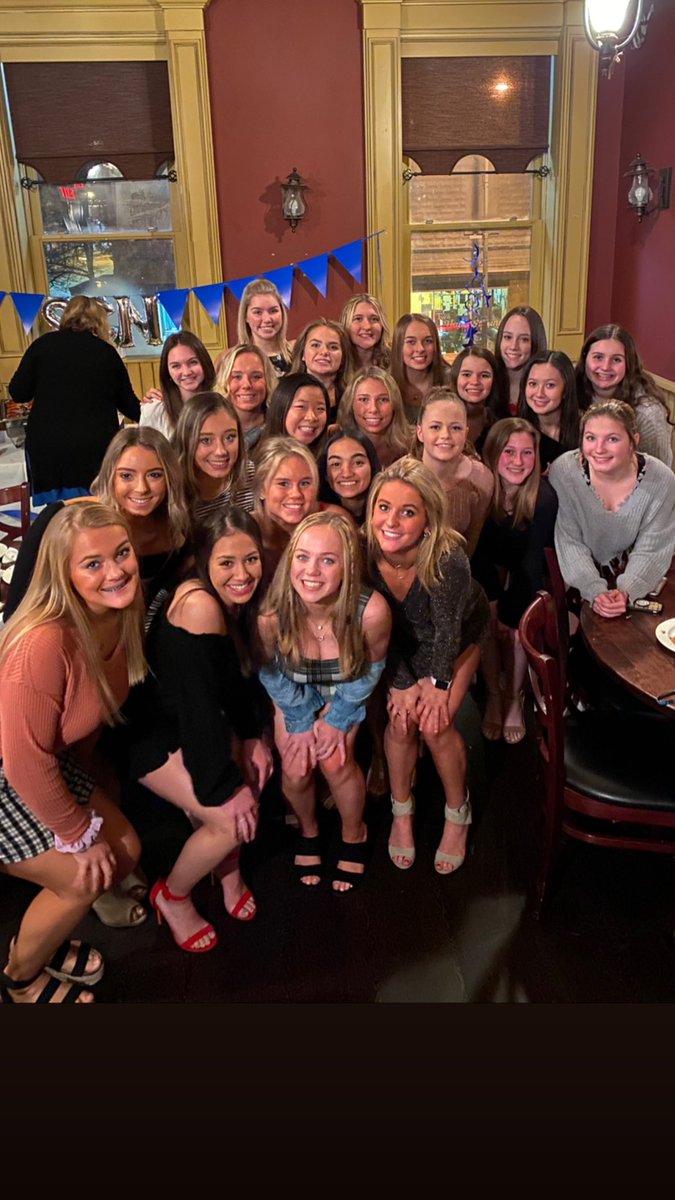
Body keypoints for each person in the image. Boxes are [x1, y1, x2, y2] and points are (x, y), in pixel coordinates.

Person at [0, 502, 145, 1002]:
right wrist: (77, 832)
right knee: (84, 879)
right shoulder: (42, 642)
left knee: (123, 853)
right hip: (11, 770)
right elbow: (23, 761)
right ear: (63, 575)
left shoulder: (119, 613)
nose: (116, 571)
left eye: (121, 553)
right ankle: (20, 979)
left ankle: (40, 941)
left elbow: (77, 730)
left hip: (38, 763)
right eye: (93, 563)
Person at [124, 507, 272, 950]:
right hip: (154, 731)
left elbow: (234, 679)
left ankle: (227, 872)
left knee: (249, 777)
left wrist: (251, 735)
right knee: (229, 821)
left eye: (251, 559)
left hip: (194, 719)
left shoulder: (229, 598)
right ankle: (172, 895)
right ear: (204, 561)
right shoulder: (200, 607)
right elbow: (198, 709)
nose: (242, 574)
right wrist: (224, 789)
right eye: (227, 563)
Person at [366, 457, 489, 874]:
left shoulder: (448, 558)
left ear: (428, 521)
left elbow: (448, 632)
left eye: (407, 512)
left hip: (456, 641)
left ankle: (458, 812)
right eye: (383, 507)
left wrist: (436, 684)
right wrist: (402, 682)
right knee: (401, 721)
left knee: (434, 725)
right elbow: (374, 630)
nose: (391, 521)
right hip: (397, 646)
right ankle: (402, 811)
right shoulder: (363, 554)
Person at [258, 511, 391, 891]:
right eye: (302, 557)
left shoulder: (371, 612)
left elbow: (370, 671)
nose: (311, 571)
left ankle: (354, 832)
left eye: (327, 560)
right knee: (296, 766)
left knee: (335, 761)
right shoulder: (271, 615)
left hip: (346, 687)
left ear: (347, 566)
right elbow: (270, 673)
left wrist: (337, 718)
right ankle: (309, 829)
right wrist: (300, 719)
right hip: (292, 690)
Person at [472, 418, 558, 744]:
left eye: (527, 452)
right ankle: (494, 694)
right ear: (493, 453)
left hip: (528, 574)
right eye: (509, 452)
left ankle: (514, 696)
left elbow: (532, 563)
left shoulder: (543, 498)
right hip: (489, 571)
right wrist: (494, 602)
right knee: (484, 621)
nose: (518, 461)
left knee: (519, 631)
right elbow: (477, 553)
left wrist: (510, 614)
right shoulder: (481, 490)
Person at [549, 400, 675, 619]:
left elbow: (652, 548)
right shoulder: (565, 472)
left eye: (612, 439)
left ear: (634, 441)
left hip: (643, 583)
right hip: (576, 585)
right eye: (591, 438)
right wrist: (595, 591)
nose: (599, 449)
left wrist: (626, 591)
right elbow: (570, 542)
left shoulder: (662, 480)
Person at [8, 295, 140, 504]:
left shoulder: (42, 345)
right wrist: (159, 409)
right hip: (94, 446)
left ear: (66, 316)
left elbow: (18, 392)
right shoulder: (105, 352)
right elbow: (129, 405)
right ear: (100, 321)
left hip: (48, 447)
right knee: (96, 511)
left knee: (60, 514)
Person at [575, 324, 673, 467]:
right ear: (585, 359)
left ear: (629, 363)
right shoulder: (569, 390)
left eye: (616, 360)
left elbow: (659, 472)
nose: (605, 367)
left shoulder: (648, 413)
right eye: (598, 357)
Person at [253, 437, 342, 591]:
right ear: (261, 489)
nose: (296, 493)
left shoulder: (334, 522)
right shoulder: (243, 531)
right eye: (283, 484)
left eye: (305, 483)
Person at [414, 389, 493, 556]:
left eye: (455, 428)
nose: (445, 435)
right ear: (420, 432)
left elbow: (470, 543)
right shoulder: (398, 478)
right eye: (435, 427)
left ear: (466, 433)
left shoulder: (482, 478)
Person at [174, 392, 254, 521]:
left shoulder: (249, 474)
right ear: (186, 442)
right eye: (206, 440)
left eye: (230, 437)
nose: (220, 451)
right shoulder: (172, 489)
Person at [139, 332, 216, 439]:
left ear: (204, 362)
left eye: (193, 362)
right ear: (167, 371)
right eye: (176, 366)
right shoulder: (153, 410)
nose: (186, 372)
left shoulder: (221, 403)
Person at [337, 366, 411, 468]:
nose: (373, 409)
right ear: (351, 404)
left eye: (383, 399)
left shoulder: (413, 444)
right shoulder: (336, 446)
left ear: (395, 404)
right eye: (364, 399)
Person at [516, 350, 579, 468]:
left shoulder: (585, 430)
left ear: (566, 389)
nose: (539, 393)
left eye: (550, 385)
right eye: (533, 384)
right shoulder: (515, 430)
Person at [214, 342, 277, 451]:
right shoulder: (210, 426)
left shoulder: (280, 429)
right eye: (237, 377)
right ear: (224, 382)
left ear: (268, 381)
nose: (246, 385)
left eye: (256, 377)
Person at [449, 346, 509, 456]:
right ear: (455, 377)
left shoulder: (503, 421)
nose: (475, 381)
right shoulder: (439, 415)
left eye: (484, 375)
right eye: (467, 374)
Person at [390, 314, 450, 420]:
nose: (420, 348)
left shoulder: (452, 380)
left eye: (428, 341)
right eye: (411, 342)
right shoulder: (385, 383)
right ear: (399, 346)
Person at [289, 320, 352, 419]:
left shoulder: (352, 396)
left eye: (333, 347)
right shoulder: (285, 392)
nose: (324, 352)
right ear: (302, 354)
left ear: (343, 357)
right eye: (315, 345)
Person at [318, 429, 380, 526]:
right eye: (336, 464)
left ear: (372, 466)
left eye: (358, 463)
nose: (346, 474)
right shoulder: (317, 515)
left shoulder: (386, 510)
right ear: (325, 473)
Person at [494, 306, 547, 414]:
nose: (513, 346)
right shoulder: (487, 381)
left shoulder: (547, 388)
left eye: (524, 339)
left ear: (536, 342)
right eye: (508, 337)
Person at [237, 278, 294, 377]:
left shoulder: (298, 354)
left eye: (273, 311)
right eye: (258, 312)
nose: (267, 319)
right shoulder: (233, 360)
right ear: (245, 316)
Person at [263, 372, 329, 456]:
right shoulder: (263, 460)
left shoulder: (330, 458)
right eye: (301, 407)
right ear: (281, 408)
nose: (311, 417)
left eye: (320, 408)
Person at [340, 293, 392, 370]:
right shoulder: (337, 364)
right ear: (346, 324)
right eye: (358, 319)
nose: (367, 327)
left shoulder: (395, 362)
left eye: (374, 319)